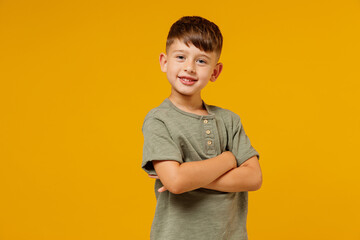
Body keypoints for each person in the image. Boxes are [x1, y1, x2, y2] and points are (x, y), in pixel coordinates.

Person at [141, 16, 262, 240]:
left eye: (201, 61)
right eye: (180, 57)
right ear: (164, 62)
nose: (189, 68)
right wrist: (228, 159)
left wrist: (189, 177)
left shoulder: (229, 120)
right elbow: (176, 182)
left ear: (215, 72)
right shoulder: (159, 120)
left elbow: (254, 178)